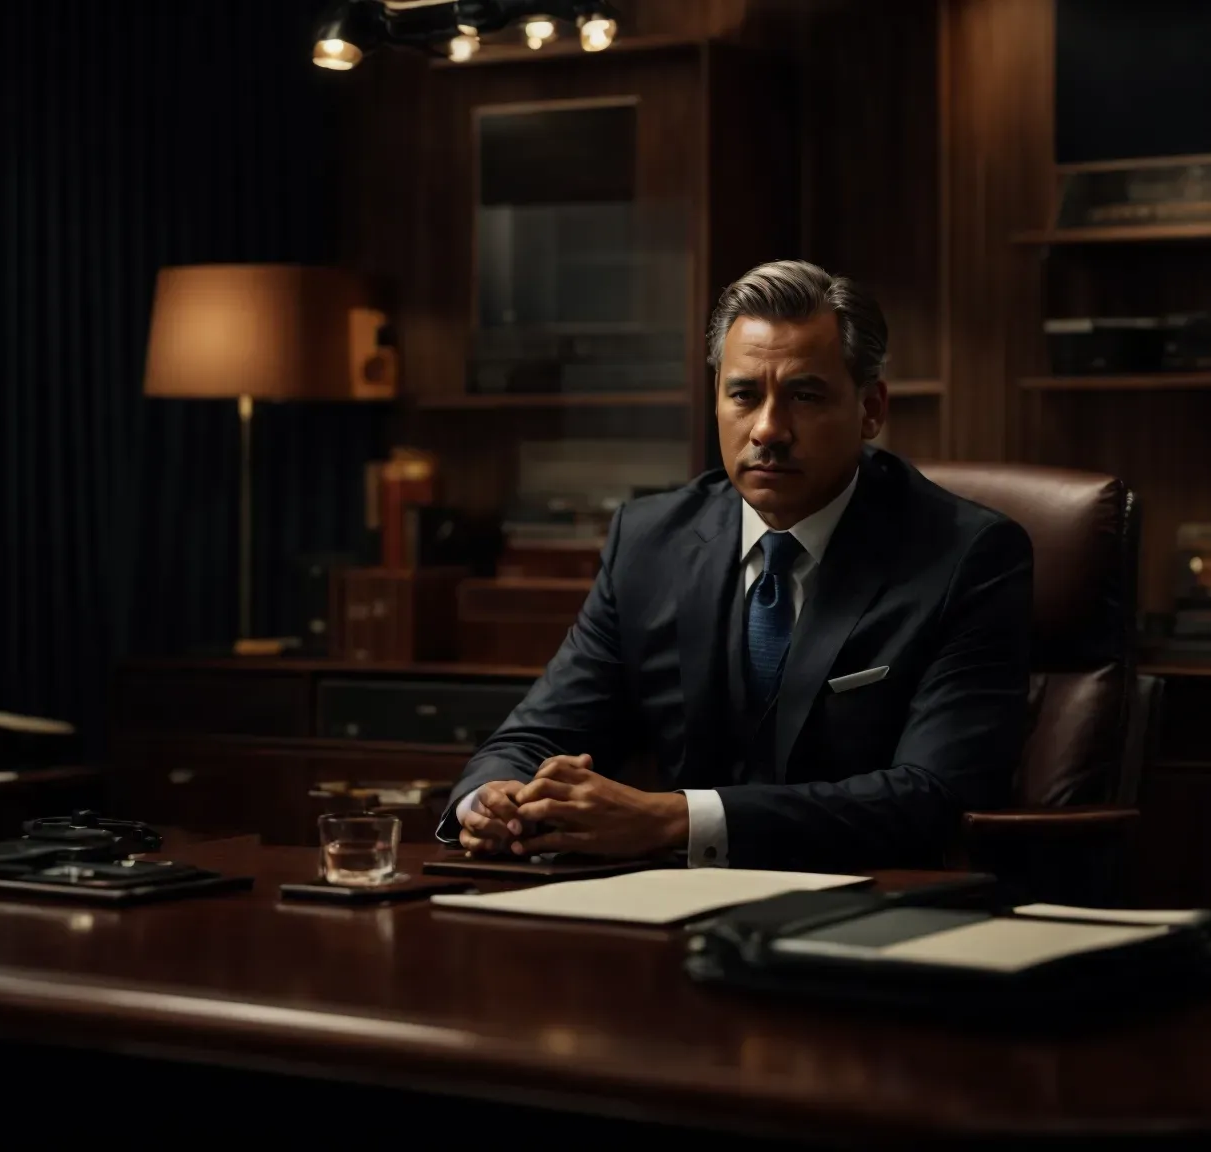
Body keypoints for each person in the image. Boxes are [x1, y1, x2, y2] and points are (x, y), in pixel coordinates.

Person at [438, 260, 1035, 870]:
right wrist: (492, 799)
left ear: (871, 409)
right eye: (744, 395)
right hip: (666, 908)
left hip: (870, 911)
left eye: (805, 396)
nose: (769, 429)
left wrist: (675, 818)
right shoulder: (650, 542)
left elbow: (935, 798)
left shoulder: (969, 556)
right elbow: (536, 736)